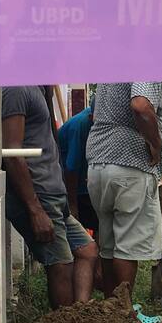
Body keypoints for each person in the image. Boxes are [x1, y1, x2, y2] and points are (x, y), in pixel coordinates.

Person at [2, 85, 99, 308]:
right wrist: (34, 209)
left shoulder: (38, 88)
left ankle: (80, 317)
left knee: (88, 250)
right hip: (39, 196)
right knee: (61, 264)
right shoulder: (16, 89)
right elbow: (12, 153)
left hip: (54, 194)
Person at [86, 82, 162, 298]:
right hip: (129, 163)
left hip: (98, 163)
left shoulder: (112, 60)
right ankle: (124, 314)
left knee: (109, 245)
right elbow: (140, 105)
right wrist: (155, 143)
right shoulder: (146, 54)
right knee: (128, 246)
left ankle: (112, 315)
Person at [57, 99, 97, 234]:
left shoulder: (94, 117)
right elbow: (71, 168)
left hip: (83, 182)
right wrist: (72, 206)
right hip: (69, 186)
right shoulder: (81, 125)